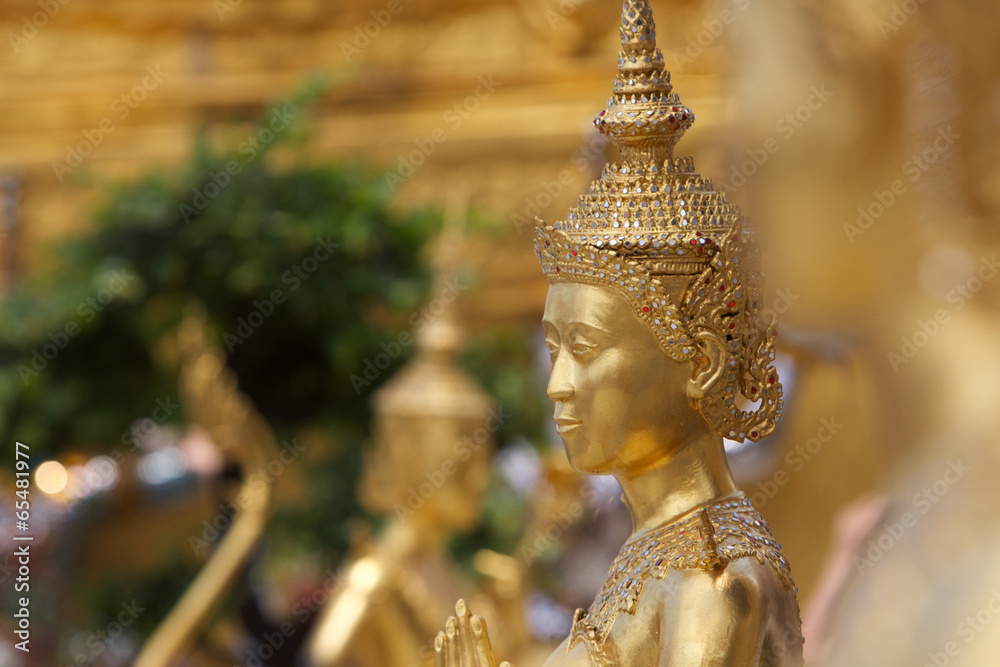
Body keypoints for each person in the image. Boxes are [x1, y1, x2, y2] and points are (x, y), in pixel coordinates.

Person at [433, 1, 803, 665]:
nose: (558, 386)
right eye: (553, 350)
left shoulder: (711, 582)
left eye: (583, 348)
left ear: (702, 363)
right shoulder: (654, 549)